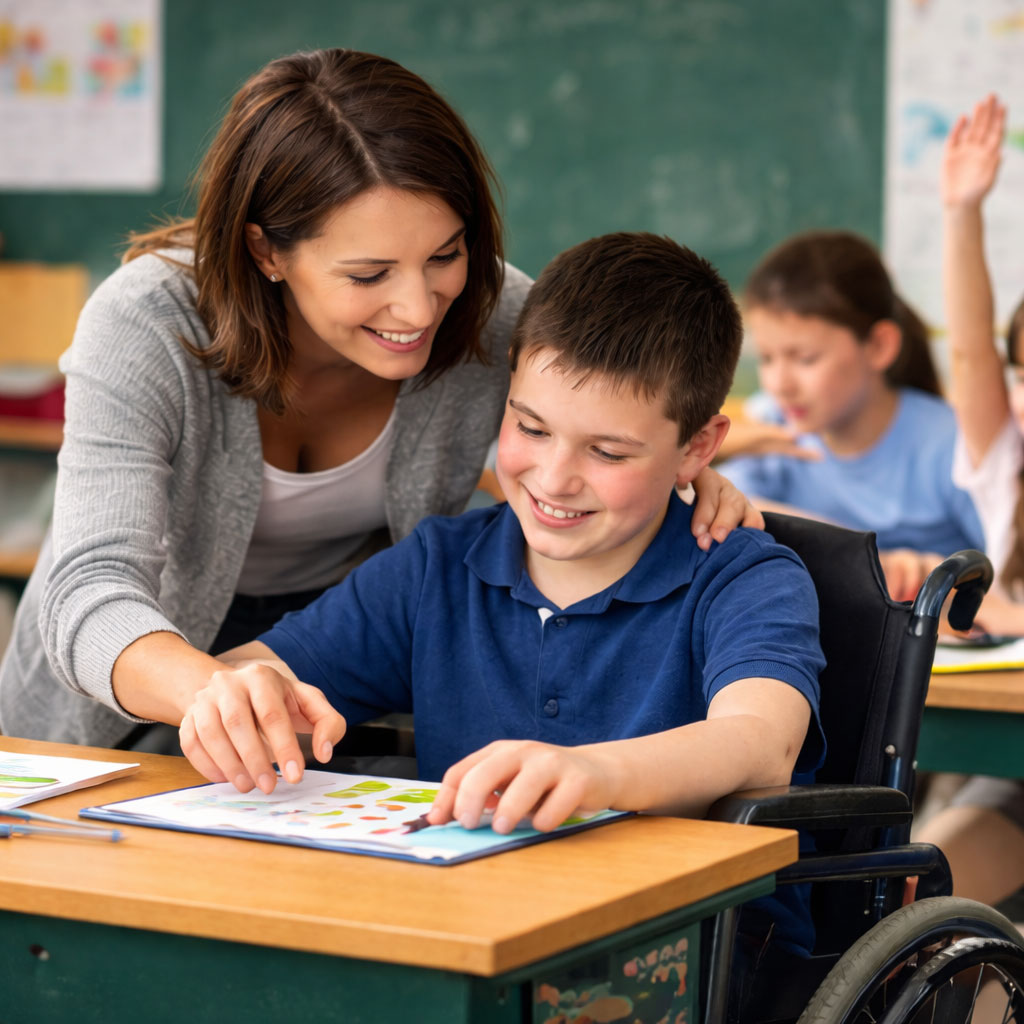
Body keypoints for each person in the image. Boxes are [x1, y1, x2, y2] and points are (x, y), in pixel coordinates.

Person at [0, 49, 753, 751]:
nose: (420, 309)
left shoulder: (494, 316)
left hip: (339, 667)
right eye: (368, 275)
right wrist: (215, 688)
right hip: (132, 669)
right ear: (266, 250)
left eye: (446, 255)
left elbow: (608, 410)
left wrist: (681, 474)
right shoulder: (147, 322)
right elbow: (90, 587)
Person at [147, 232, 825, 971]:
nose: (554, 478)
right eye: (530, 427)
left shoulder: (745, 577)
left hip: (696, 953)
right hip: (471, 934)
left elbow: (762, 739)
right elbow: (257, 670)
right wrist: (239, 693)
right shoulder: (437, 567)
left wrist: (597, 776)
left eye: (607, 452)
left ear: (697, 448)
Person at [717, 230, 985, 595]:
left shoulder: (953, 446)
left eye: (805, 358)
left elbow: (1009, 574)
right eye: (766, 358)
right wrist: (865, 557)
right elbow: (723, 511)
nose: (780, 384)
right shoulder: (773, 424)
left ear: (878, 346)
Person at [910, 94, 1024, 911]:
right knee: (913, 896)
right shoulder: (1007, 468)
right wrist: (960, 212)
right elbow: (973, 350)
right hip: (1016, 780)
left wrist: (1010, 613)